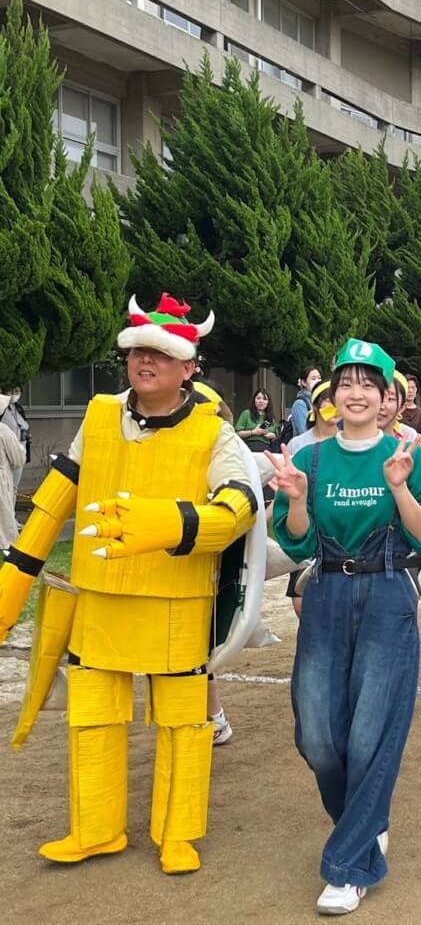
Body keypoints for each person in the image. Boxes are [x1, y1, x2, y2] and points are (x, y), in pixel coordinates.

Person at [0, 293, 256, 875]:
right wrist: (13, 581)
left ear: (188, 365)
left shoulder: (213, 434)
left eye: (161, 355)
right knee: (91, 716)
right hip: (99, 596)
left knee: (183, 722)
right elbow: (52, 503)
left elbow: (238, 507)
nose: (146, 362)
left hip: (176, 602)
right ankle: (95, 829)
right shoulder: (96, 420)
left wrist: (174, 524)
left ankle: (178, 831)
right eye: (139, 351)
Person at [269, 338, 421, 916]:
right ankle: (364, 825)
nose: (358, 392)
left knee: (371, 732)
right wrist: (295, 498)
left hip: (389, 592)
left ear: (389, 397)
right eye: (348, 382)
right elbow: (294, 539)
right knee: (316, 733)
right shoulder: (311, 458)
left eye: (371, 384)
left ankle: (349, 864)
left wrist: (397, 486)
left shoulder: (407, 455)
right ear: (332, 396)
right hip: (327, 593)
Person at [284, 380, 339, 619]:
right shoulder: (299, 443)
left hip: (334, 524)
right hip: (305, 519)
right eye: (328, 403)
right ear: (315, 407)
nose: (333, 409)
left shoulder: (346, 440)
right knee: (300, 599)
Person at [0, 392, 26, 549]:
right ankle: (8, 546)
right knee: (4, 514)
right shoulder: (3, 431)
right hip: (2, 479)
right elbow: (17, 458)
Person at [0, 386, 30, 487]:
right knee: (6, 485)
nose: (14, 394)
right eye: (10, 391)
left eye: (16, 391)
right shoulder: (2, 409)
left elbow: (23, 424)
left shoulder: (18, 408)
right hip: (6, 454)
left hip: (20, 450)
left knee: (14, 486)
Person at [377, 371, 417, 442]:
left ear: (402, 407)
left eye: (390, 399)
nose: (381, 406)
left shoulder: (409, 436)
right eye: (378, 397)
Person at [291, 367, 322, 437]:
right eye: (313, 379)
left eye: (319, 378)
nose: (317, 381)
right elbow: (304, 431)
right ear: (303, 382)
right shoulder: (300, 404)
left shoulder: (320, 400)